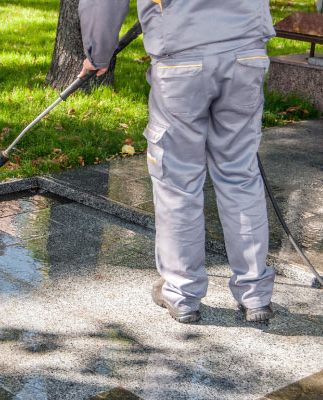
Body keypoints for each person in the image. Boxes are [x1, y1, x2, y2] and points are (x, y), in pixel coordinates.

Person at [77, 0, 277, 323]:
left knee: (177, 179)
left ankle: (183, 293)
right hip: (245, 50)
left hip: (182, 54)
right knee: (240, 172)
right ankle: (255, 294)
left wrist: (97, 53)